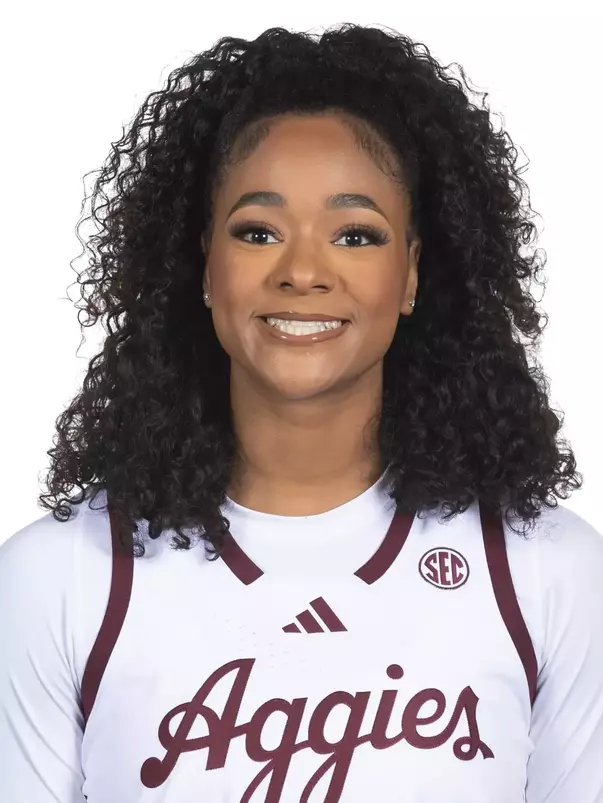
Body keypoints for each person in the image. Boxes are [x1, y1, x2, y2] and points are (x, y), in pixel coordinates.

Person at [1, 21, 602, 803]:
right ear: (206, 268)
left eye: (355, 234)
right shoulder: (62, 577)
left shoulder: (544, 570)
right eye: (258, 231)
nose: (303, 272)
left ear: (411, 274)